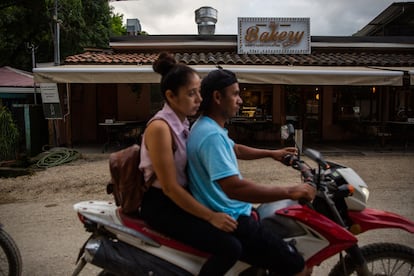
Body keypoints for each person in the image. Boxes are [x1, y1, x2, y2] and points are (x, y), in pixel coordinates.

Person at [187, 68, 316, 276]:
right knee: (299, 267)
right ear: (218, 97)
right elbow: (234, 189)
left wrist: (271, 153)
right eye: (236, 94)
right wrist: (291, 191)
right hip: (234, 218)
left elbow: (235, 148)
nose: (240, 100)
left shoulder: (206, 126)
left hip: (233, 211)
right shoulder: (211, 136)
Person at [139, 53, 241, 275]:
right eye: (191, 94)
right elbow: (169, 187)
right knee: (229, 248)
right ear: (171, 96)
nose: (199, 100)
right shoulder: (160, 128)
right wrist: (211, 216)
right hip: (163, 205)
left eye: (199, 92)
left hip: (180, 199)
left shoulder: (182, 122)